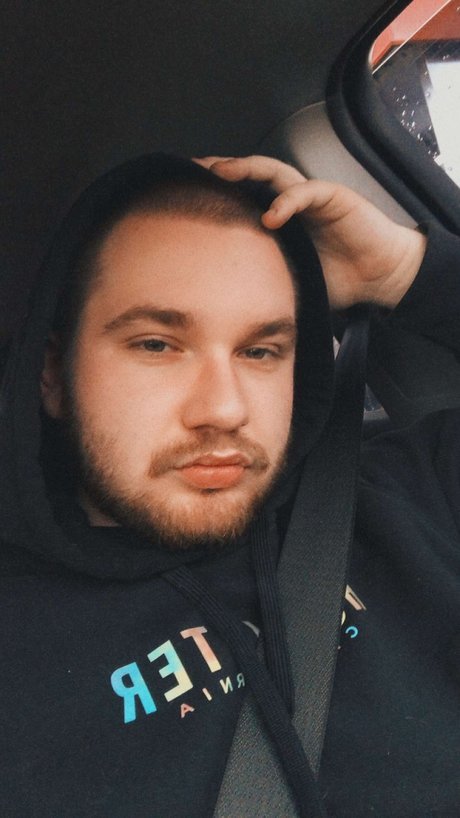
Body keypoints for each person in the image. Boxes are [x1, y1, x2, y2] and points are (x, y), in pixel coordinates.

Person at [0, 151, 459, 818]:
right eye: (156, 344)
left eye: (260, 351)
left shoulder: (414, 492)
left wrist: (404, 271)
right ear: (51, 374)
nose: (224, 409)